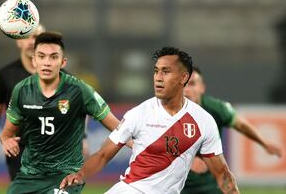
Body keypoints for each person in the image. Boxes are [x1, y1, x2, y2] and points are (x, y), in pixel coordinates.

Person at [60, 46, 239, 194]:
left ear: (183, 78)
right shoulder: (138, 114)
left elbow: (222, 174)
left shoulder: (203, 121)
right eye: (156, 71)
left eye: (166, 72)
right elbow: (103, 155)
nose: (158, 78)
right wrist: (80, 175)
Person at [0, 31, 120, 194]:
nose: (47, 62)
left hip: (66, 176)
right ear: (34, 61)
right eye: (41, 56)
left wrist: (141, 145)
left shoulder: (79, 90)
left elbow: (119, 128)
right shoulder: (21, 90)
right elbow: (6, 134)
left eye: (53, 57)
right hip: (29, 177)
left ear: (63, 62)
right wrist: (6, 141)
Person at [181, 66, 283, 194]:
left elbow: (241, 125)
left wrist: (264, 142)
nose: (186, 90)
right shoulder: (165, 113)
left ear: (202, 87)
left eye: (192, 84)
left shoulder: (215, 109)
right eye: (183, 85)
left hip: (210, 186)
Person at [0, 24, 46, 180]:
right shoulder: (6, 75)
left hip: (53, 151)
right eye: (27, 36)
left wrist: (82, 140)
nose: (31, 41)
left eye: (36, 36)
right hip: (18, 151)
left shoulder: (60, 76)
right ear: (18, 42)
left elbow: (77, 110)